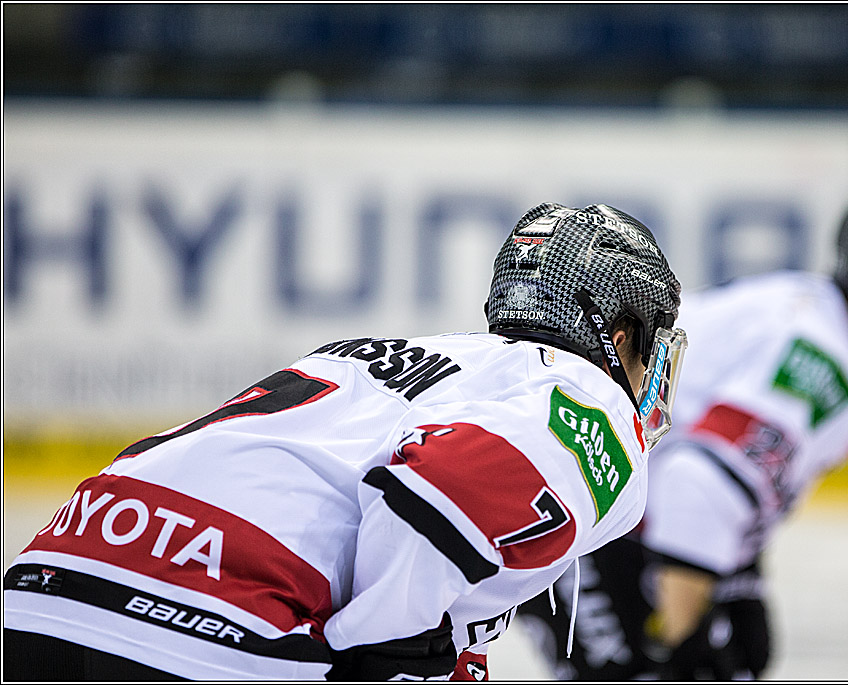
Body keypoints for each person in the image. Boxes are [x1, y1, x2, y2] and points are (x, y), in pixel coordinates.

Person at [2, 202, 687, 681]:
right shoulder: (587, 397)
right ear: (618, 334)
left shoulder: (372, 351)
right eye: (649, 341)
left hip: (44, 587)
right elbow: (444, 490)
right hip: (213, 629)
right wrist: (387, 656)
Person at [516, 183, 848, 680]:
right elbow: (696, 488)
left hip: (578, 499)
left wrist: (737, 579)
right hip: (571, 515)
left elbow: (718, 476)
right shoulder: (822, 364)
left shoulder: (809, 317)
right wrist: (687, 638)